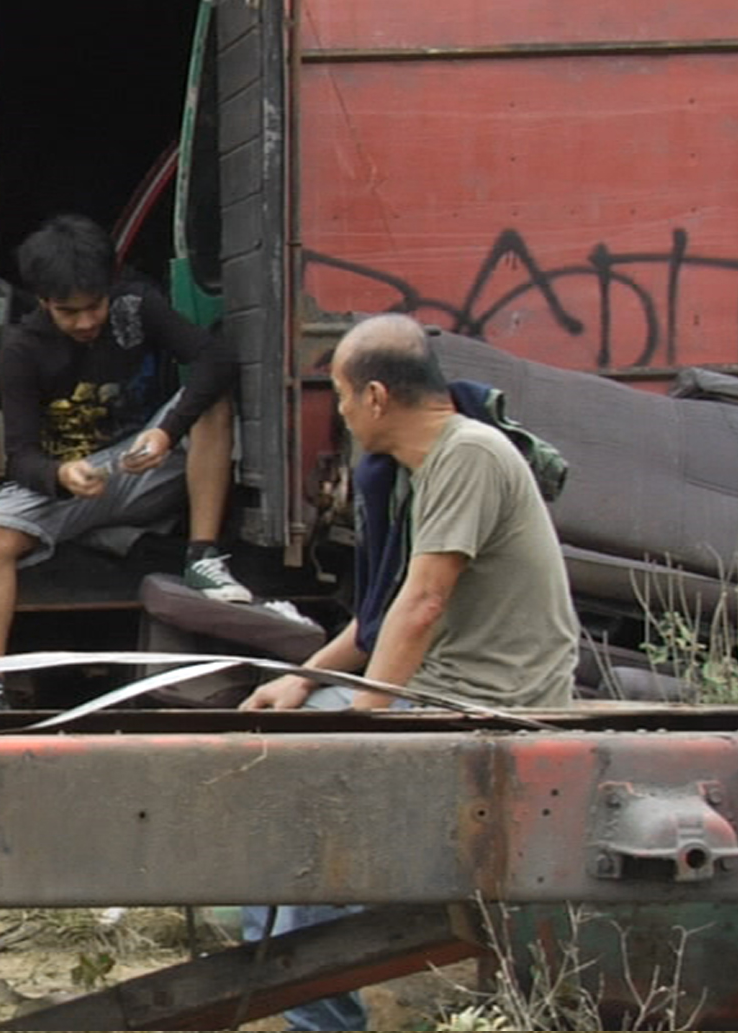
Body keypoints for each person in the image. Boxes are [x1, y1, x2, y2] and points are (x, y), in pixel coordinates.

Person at [237, 312, 579, 1032]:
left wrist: (362, 725)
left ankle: (317, 1016)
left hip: (488, 697)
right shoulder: (419, 474)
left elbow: (422, 605)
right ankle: (266, 980)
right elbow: (383, 615)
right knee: (270, 749)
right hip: (439, 683)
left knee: (321, 794)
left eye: (340, 395)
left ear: (376, 396)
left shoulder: (469, 455)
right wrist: (301, 677)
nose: (339, 412)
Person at [0, 213, 249, 713]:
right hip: (74, 483)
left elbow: (215, 359)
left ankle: (202, 557)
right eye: (69, 312)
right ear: (43, 301)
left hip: (146, 466)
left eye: (94, 306)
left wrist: (166, 431)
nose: (86, 322)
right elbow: (21, 456)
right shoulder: (23, 348)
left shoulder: (137, 306)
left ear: (110, 288)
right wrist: (60, 474)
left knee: (212, 404)